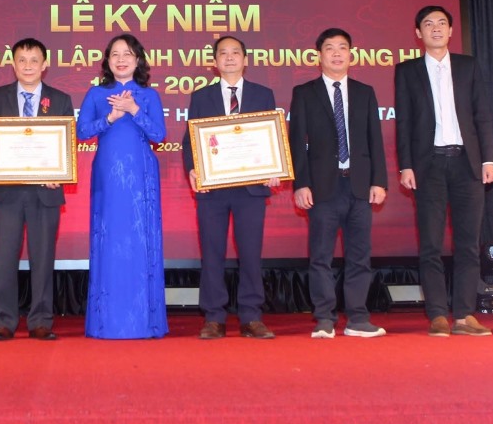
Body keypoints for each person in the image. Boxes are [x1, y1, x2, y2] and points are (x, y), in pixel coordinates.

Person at [395, 5, 493, 337]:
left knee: (468, 244)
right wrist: (406, 164)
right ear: (418, 33)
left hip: (467, 163)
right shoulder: (407, 71)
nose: (435, 28)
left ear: (451, 31)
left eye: (441, 23)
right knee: (431, 244)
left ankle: (464, 315)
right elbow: (405, 122)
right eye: (428, 24)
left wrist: (488, 159)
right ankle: (438, 313)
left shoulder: (468, 66)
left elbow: (482, 115)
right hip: (429, 165)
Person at [290, 28, 388, 339]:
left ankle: (358, 318)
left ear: (351, 54)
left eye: (342, 48)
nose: (336, 53)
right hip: (322, 187)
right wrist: (301, 184)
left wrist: (379, 181)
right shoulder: (304, 93)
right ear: (318, 56)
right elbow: (297, 143)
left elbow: (375, 140)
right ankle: (324, 319)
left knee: (360, 255)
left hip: (359, 184)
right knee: (321, 256)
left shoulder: (365, 92)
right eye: (329, 48)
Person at [0, 38, 74, 341]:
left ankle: (41, 319)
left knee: (43, 258)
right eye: (22, 60)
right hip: (6, 192)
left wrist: (62, 170)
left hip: (45, 192)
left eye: (34, 60)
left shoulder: (60, 99)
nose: (28, 66)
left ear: (45, 65)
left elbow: (66, 143)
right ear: (13, 64)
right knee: (4, 258)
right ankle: (4, 320)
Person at [182, 35, 279, 340]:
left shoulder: (264, 94)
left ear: (245, 60)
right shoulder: (201, 97)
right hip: (214, 189)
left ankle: (251, 316)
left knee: (250, 253)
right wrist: (193, 169)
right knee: (212, 253)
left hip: (251, 188)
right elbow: (190, 141)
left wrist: (274, 168)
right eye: (222, 53)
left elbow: (271, 135)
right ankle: (214, 317)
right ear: (214, 62)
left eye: (235, 53)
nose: (229, 58)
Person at [76, 34, 167, 339]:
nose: (121, 59)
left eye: (127, 54)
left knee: (140, 240)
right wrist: (111, 118)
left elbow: (159, 135)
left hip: (141, 176)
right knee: (110, 239)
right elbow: (82, 132)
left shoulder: (149, 95)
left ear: (138, 60)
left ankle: (145, 321)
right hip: (108, 176)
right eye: (115, 54)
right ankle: (107, 322)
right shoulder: (96, 94)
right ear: (107, 61)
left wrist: (135, 111)